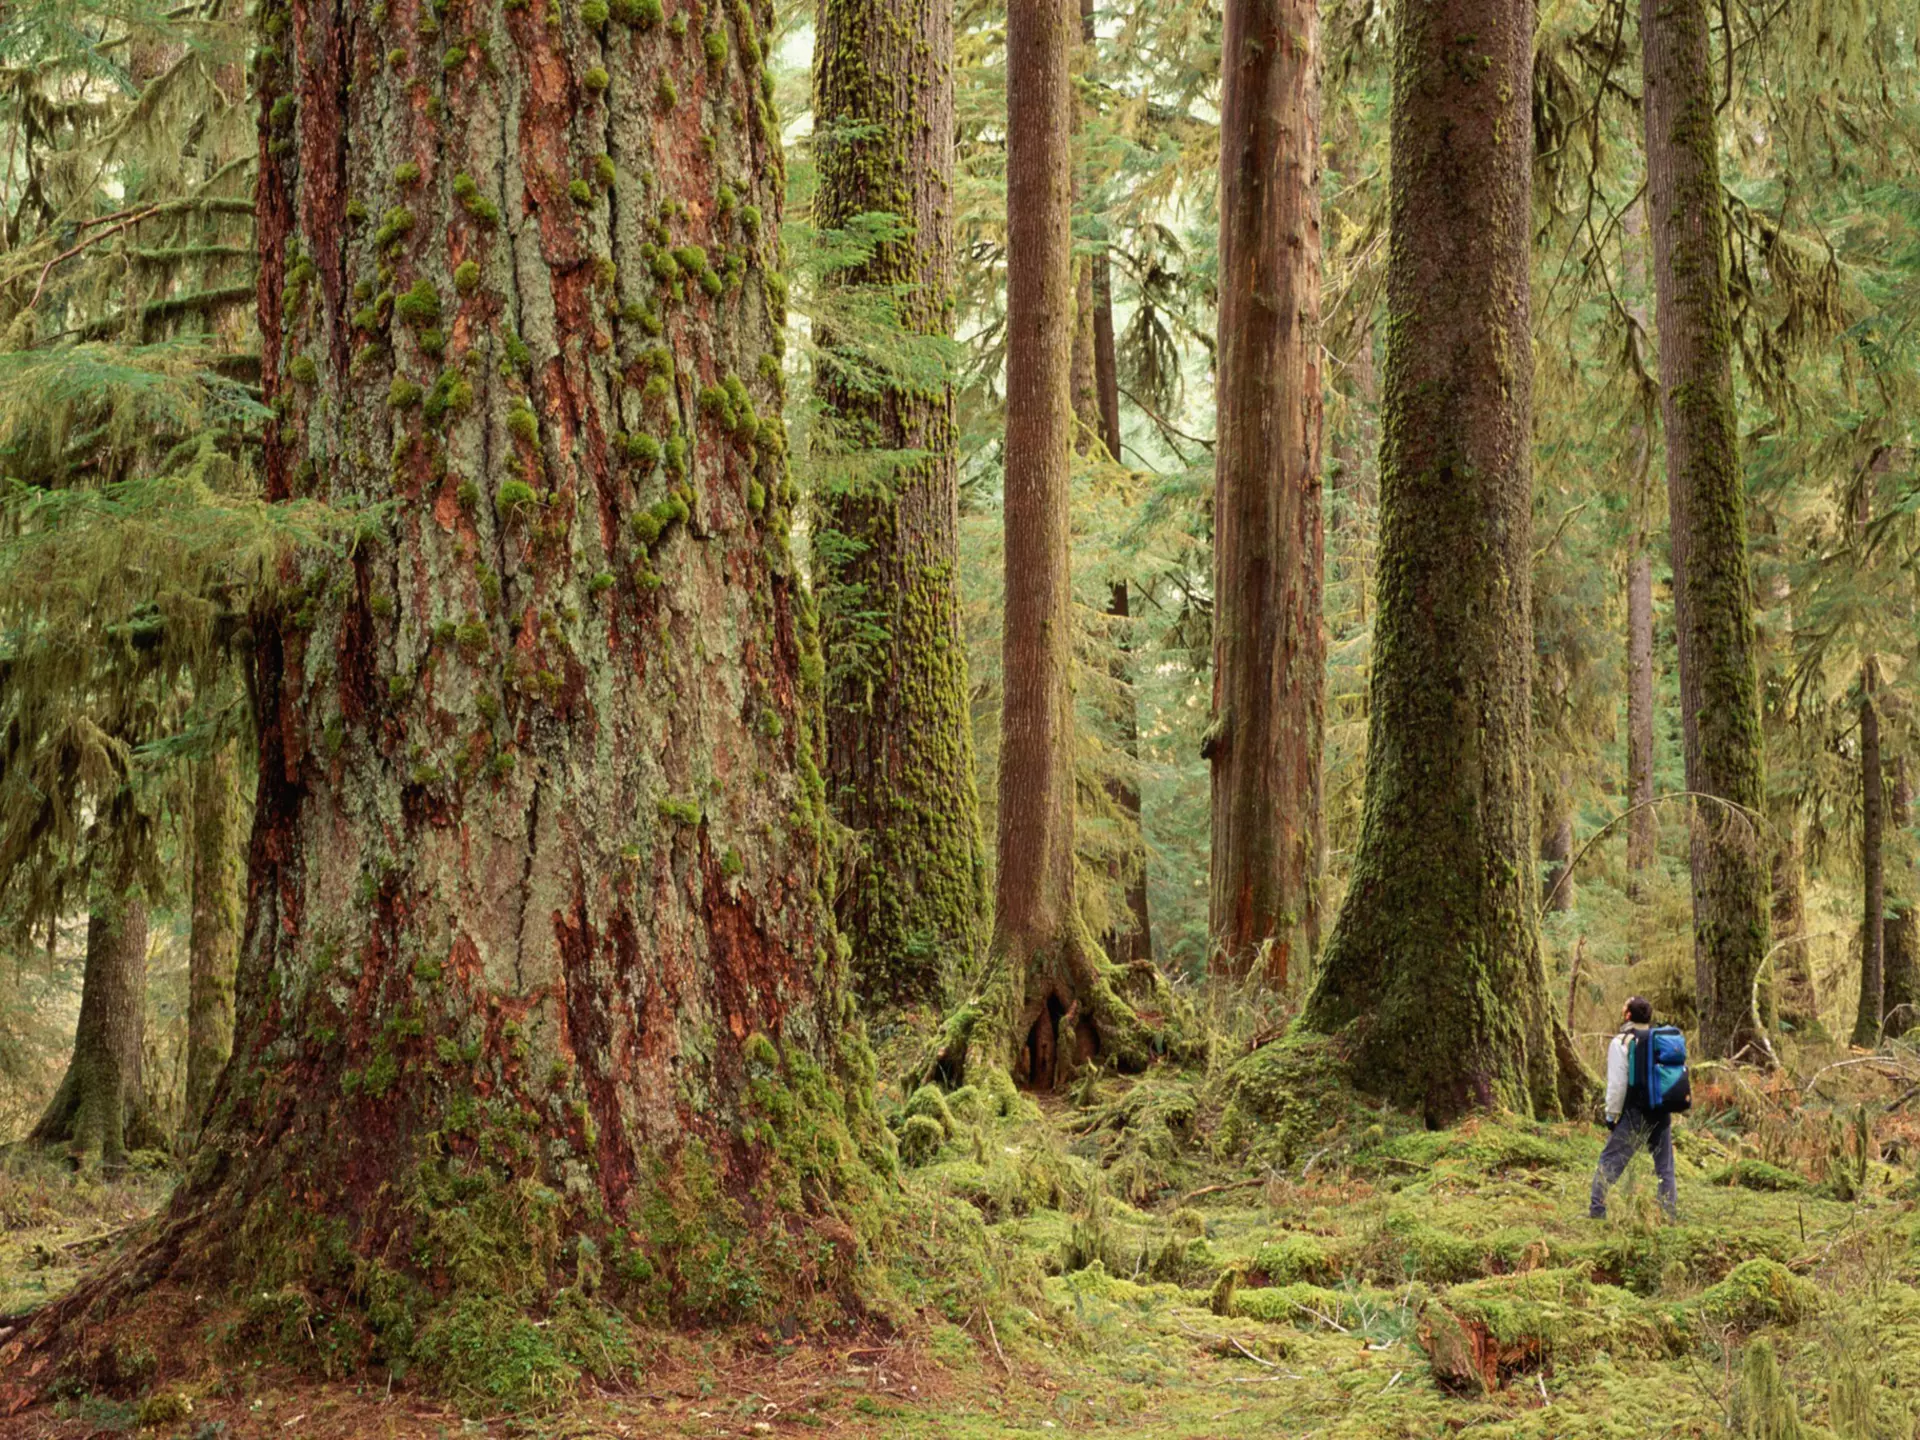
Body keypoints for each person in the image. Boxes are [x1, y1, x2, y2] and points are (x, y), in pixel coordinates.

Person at [1590, 995, 1678, 1219]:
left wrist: (1611, 1116)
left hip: (1634, 1113)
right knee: (1664, 1167)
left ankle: (1597, 1211)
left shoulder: (1622, 1042)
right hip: (1661, 1111)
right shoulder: (1661, 1039)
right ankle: (1668, 1213)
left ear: (1628, 1015)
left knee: (1609, 1161)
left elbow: (1617, 1084)